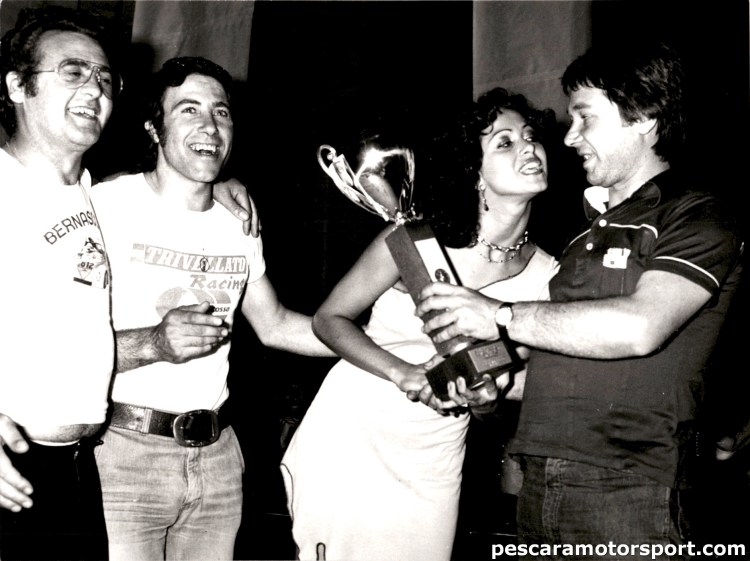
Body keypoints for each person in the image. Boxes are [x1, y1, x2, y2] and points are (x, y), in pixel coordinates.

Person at [416, 41, 744, 556]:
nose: (569, 137)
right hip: (539, 484)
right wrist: (488, 385)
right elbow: (560, 365)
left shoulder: (696, 216)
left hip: (630, 489)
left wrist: (497, 314)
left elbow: (639, 328)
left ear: (643, 116)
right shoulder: (580, 240)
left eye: (585, 117)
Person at [0, 7, 257, 560]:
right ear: (17, 85)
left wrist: (220, 183)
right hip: (12, 466)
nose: (94, 88)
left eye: (103, 77)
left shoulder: (81, 192)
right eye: (72, 72)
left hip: (73, 468)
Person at [280, 88, 560, 561]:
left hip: (435, 451)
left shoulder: (549, 277)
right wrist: (403, 373)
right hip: (355, 431)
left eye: (531, 137)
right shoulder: (413, 237)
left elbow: (500, 376)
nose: (529, 148)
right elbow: (329, 320)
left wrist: (486, 401)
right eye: (505, 142)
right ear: (474, 172)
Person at [89, 56, 334, 561]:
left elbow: (276, 325)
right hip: (122, 453)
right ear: (153, 128)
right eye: (188, 110)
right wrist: (153, 343)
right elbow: (51, 343)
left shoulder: (238, 222)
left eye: (221, 112)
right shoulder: (105, 206)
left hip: (218, 457)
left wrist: (383, 340)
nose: (209, 125)